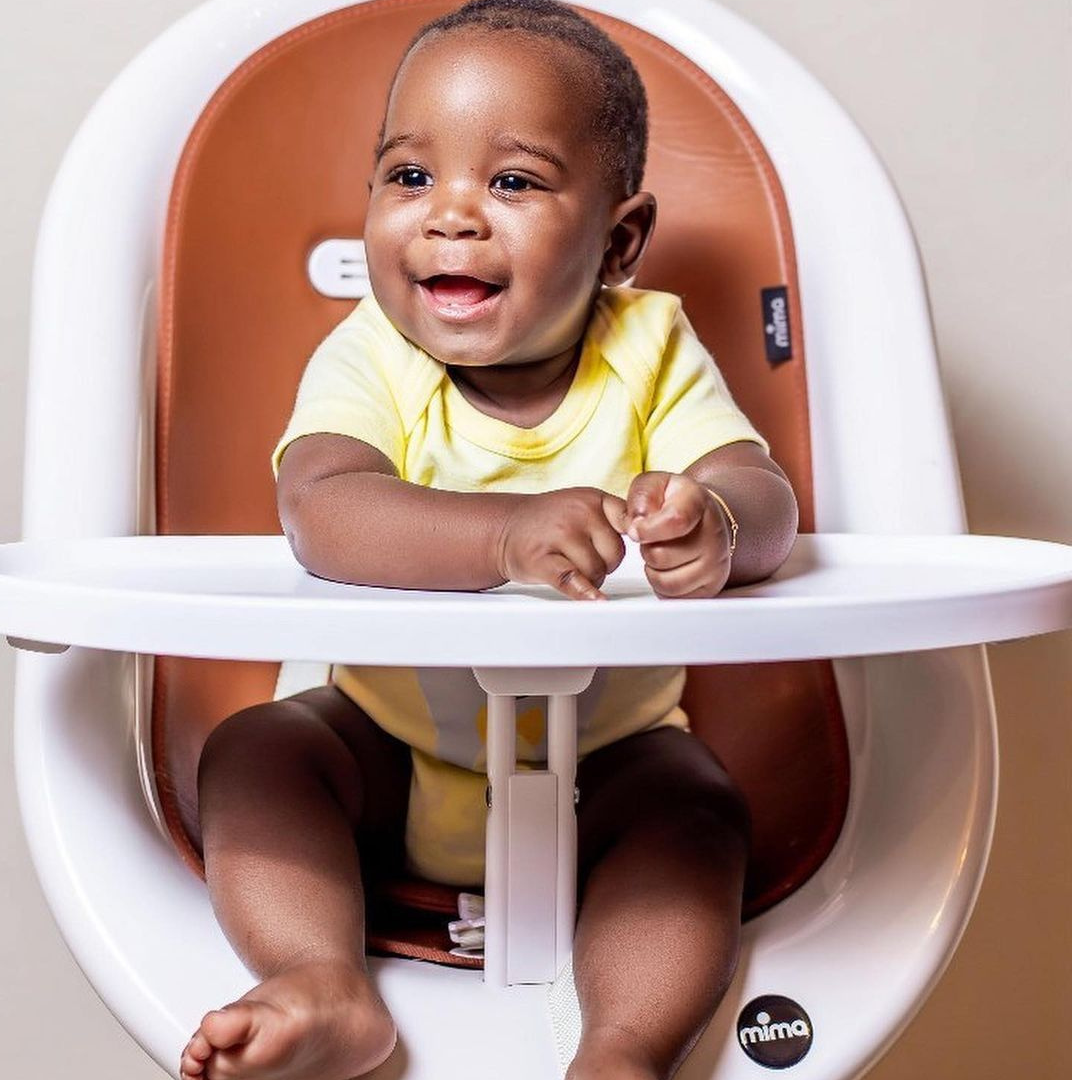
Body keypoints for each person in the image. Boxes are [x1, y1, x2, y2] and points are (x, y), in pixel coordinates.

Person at [179, 1, 798, 1078]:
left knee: (695, 810)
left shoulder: (650, 346)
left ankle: (624, 1046)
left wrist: (722, 522)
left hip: (609, 758)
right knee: (258, 751)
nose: (450, 217)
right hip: (386, 746)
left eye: (511, 183)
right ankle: (319, 977)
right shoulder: (371, 355)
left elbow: (760, 487)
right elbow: (322, 509)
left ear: (619, 241)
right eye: (409, 177)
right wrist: (508, 537)